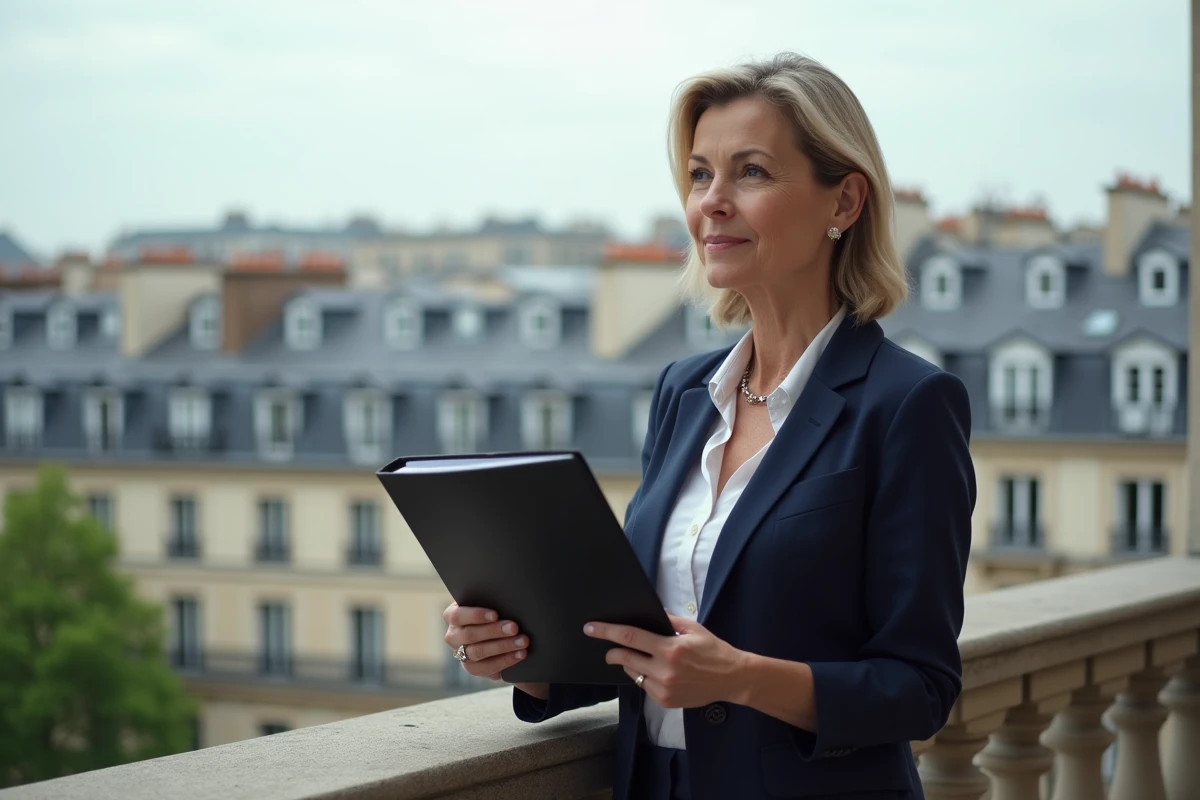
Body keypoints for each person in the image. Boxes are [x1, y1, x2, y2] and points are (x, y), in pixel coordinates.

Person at [442, 52, 976, 800]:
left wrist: (741, 678)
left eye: (750, 172)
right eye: (699, 175)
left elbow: (919, 687)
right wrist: (519, 655)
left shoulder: (909, 404)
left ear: (844, 202)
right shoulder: (683, 390)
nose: (711, 203)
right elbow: (643, 643)